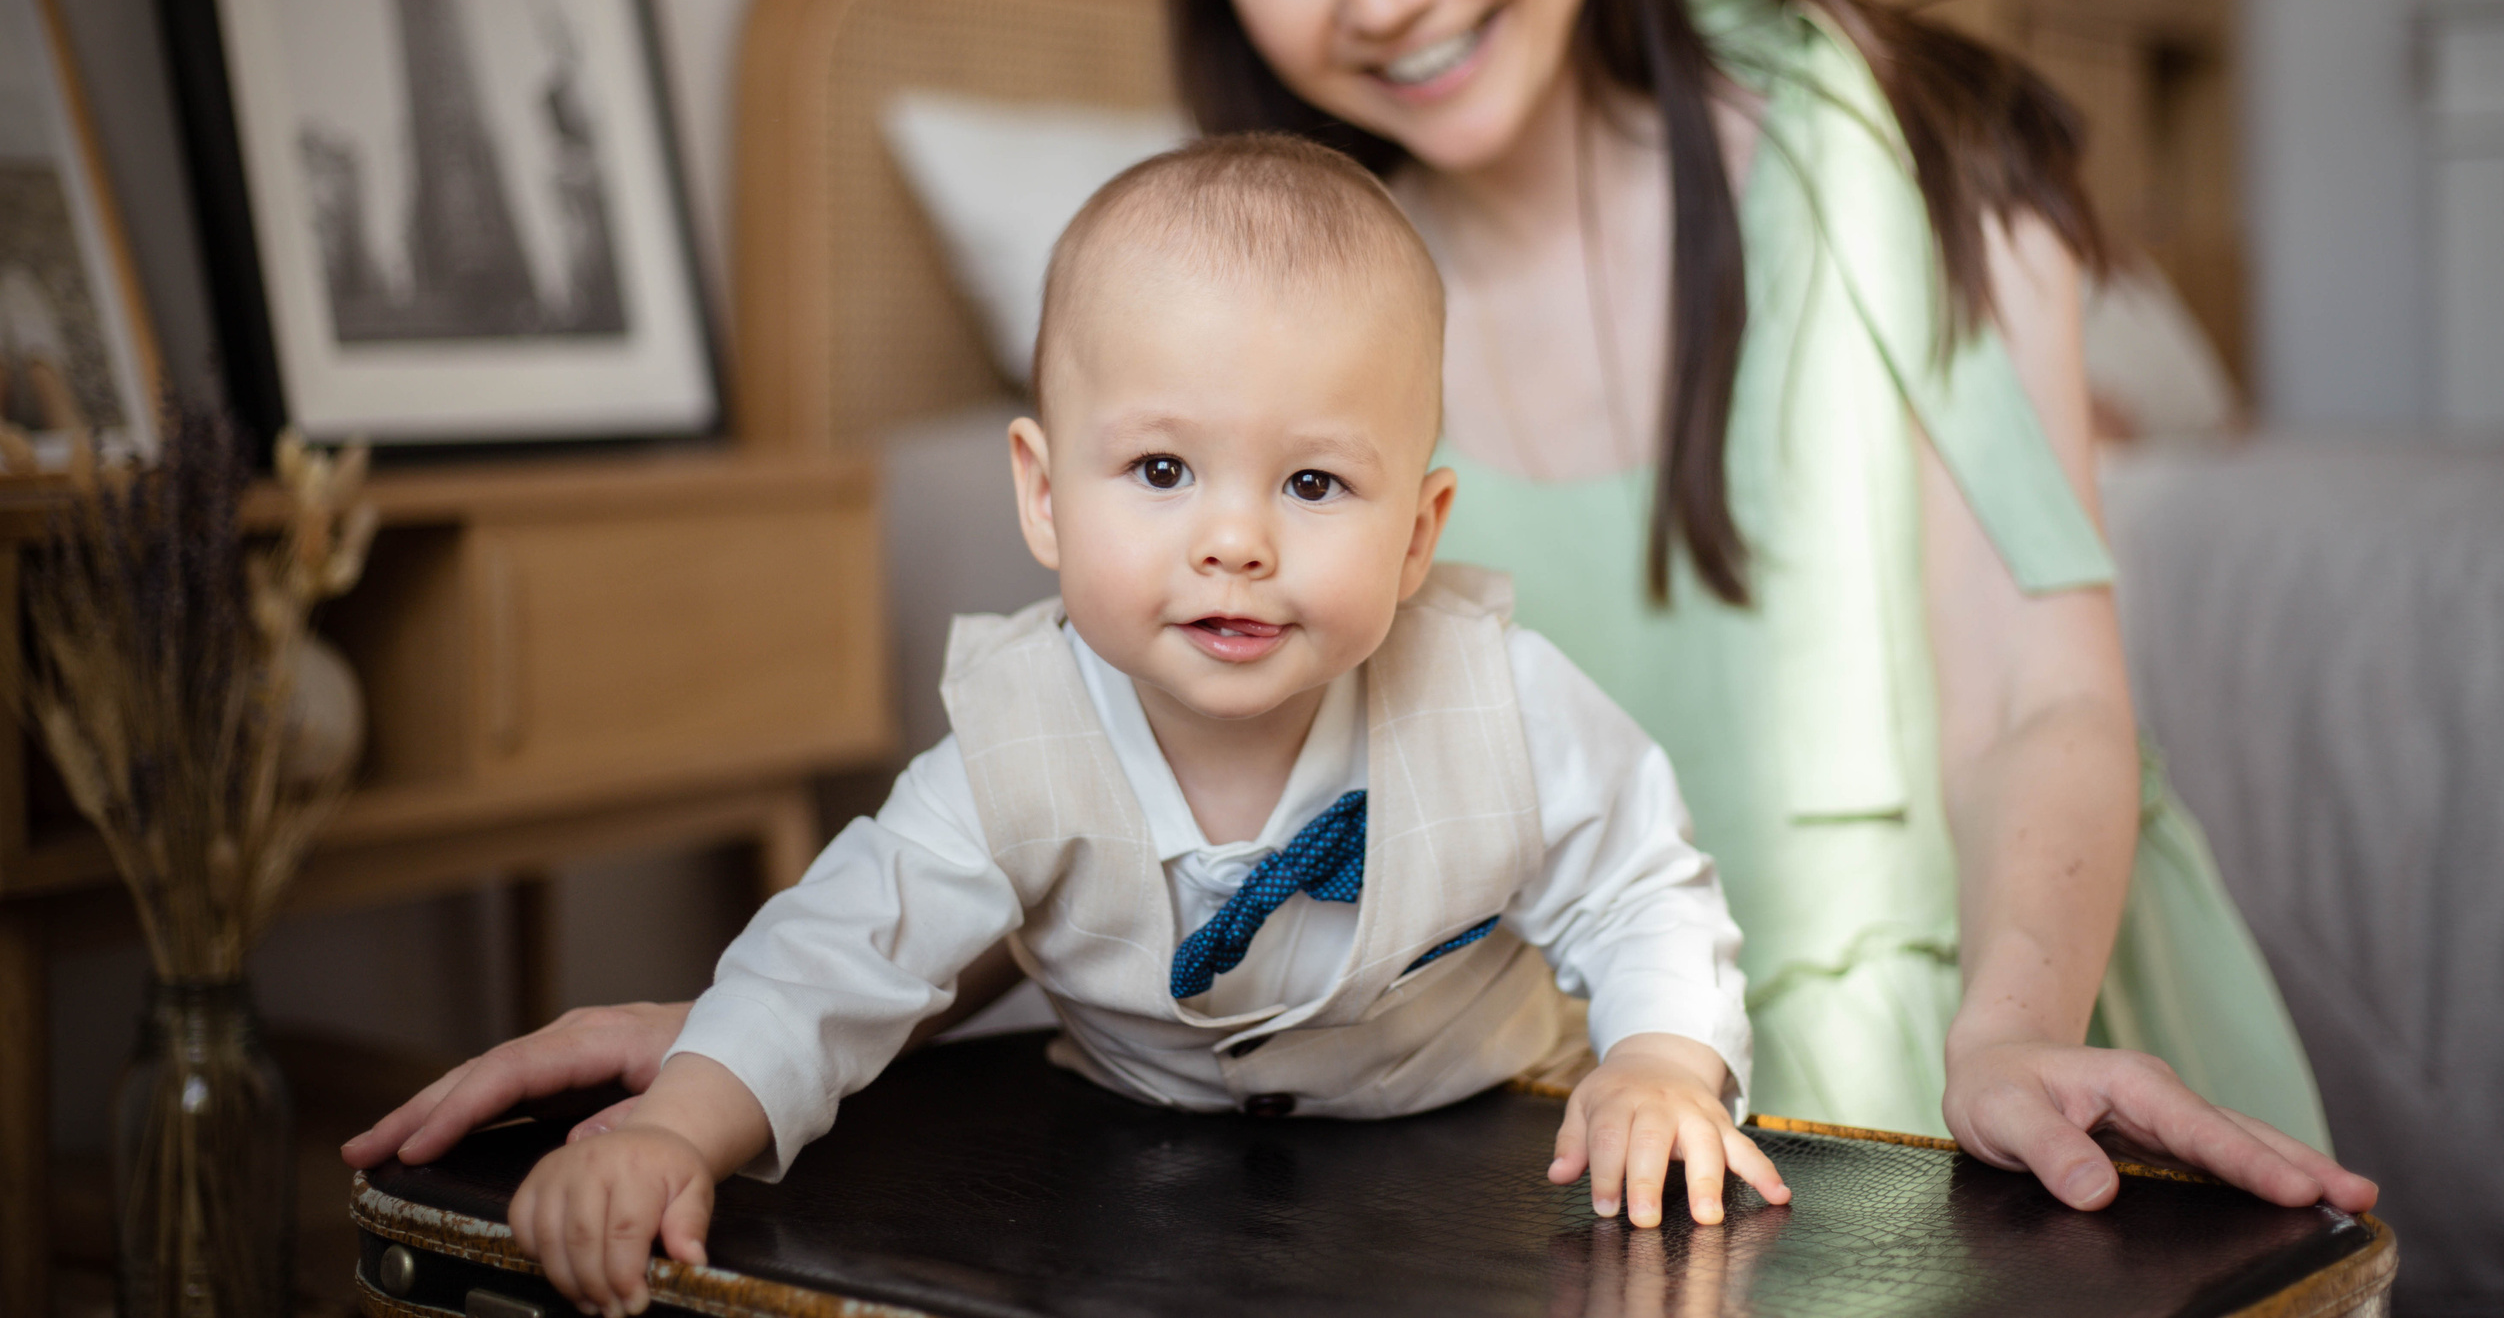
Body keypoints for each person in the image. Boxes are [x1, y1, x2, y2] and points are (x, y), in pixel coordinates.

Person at [349, 0, 2375, 1220]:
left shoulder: (1890, 156)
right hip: (1546, 1135)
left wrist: (2009, 1026)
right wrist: (754, 1045)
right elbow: (1166, 837)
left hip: (1954, 1032)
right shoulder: (1285, 321)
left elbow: (2039, 698)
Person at [496, 136, 1789, 1317]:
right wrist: (676, 1126)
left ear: (1418, 533)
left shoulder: (1497, 700)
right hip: (1145, 1182)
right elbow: (837, 955)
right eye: (1162, 471)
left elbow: (1638, 885)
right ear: (1045, 496)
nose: (1235, 540)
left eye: (1314, 480)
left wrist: (1662, 1062)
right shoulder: (1014, 744)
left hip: (1486, 1136)